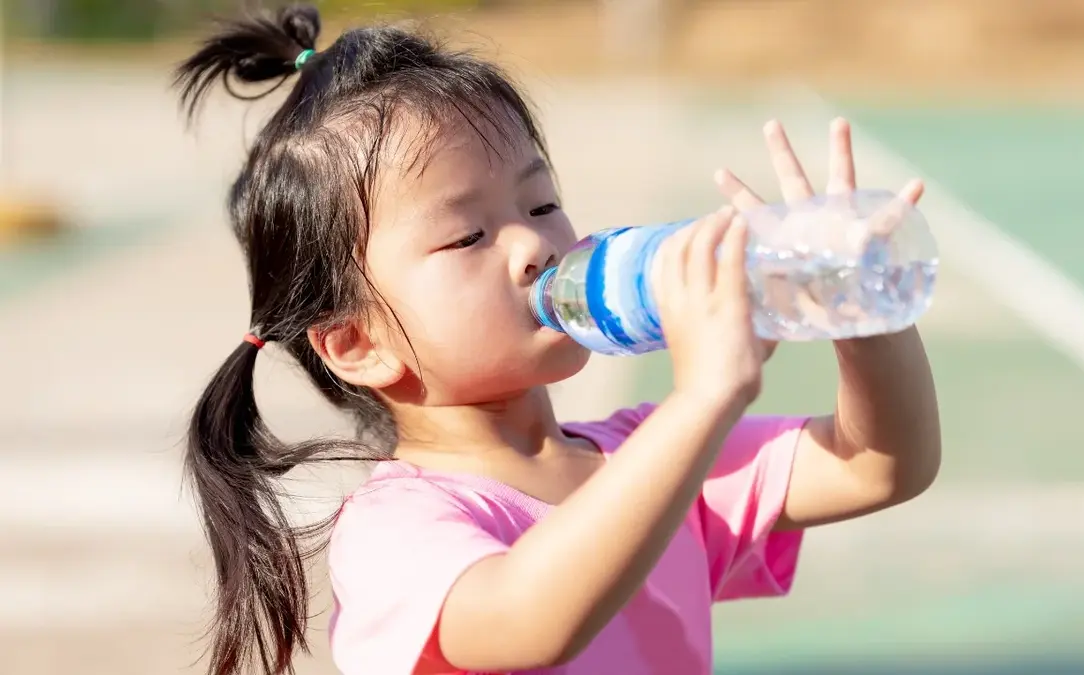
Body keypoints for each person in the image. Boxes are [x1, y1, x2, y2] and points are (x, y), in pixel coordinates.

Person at [176, 4, 941, 674]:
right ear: (357, 343)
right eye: (469, 234)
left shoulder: (644, 451)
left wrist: (855, 302)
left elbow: (881, 464)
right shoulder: (394, 527)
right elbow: (529, 619)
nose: (533, 246)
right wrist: (703, 396)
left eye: (540, 203)